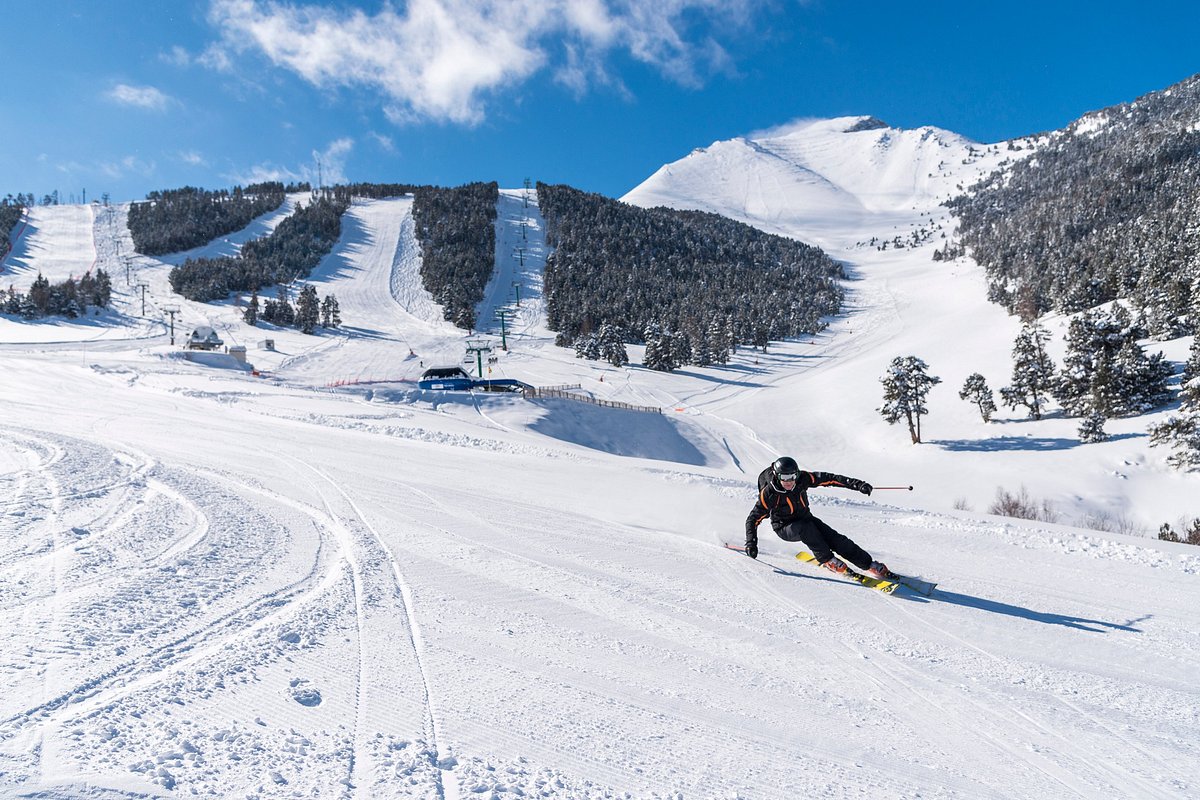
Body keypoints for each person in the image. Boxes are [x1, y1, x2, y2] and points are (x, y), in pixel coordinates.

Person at [744, 456, 893, 579]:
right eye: (784, 477)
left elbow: (830, 479)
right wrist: (751, 543)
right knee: (807, 529)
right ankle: (828, 560)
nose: (789, 481)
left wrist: (858, 485)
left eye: (792, 476)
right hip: (784, 527)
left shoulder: (802, 479)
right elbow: (752, 519)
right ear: (777, 476)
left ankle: (868, 564)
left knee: (836, 539)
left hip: (806, 518)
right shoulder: (770, 494)